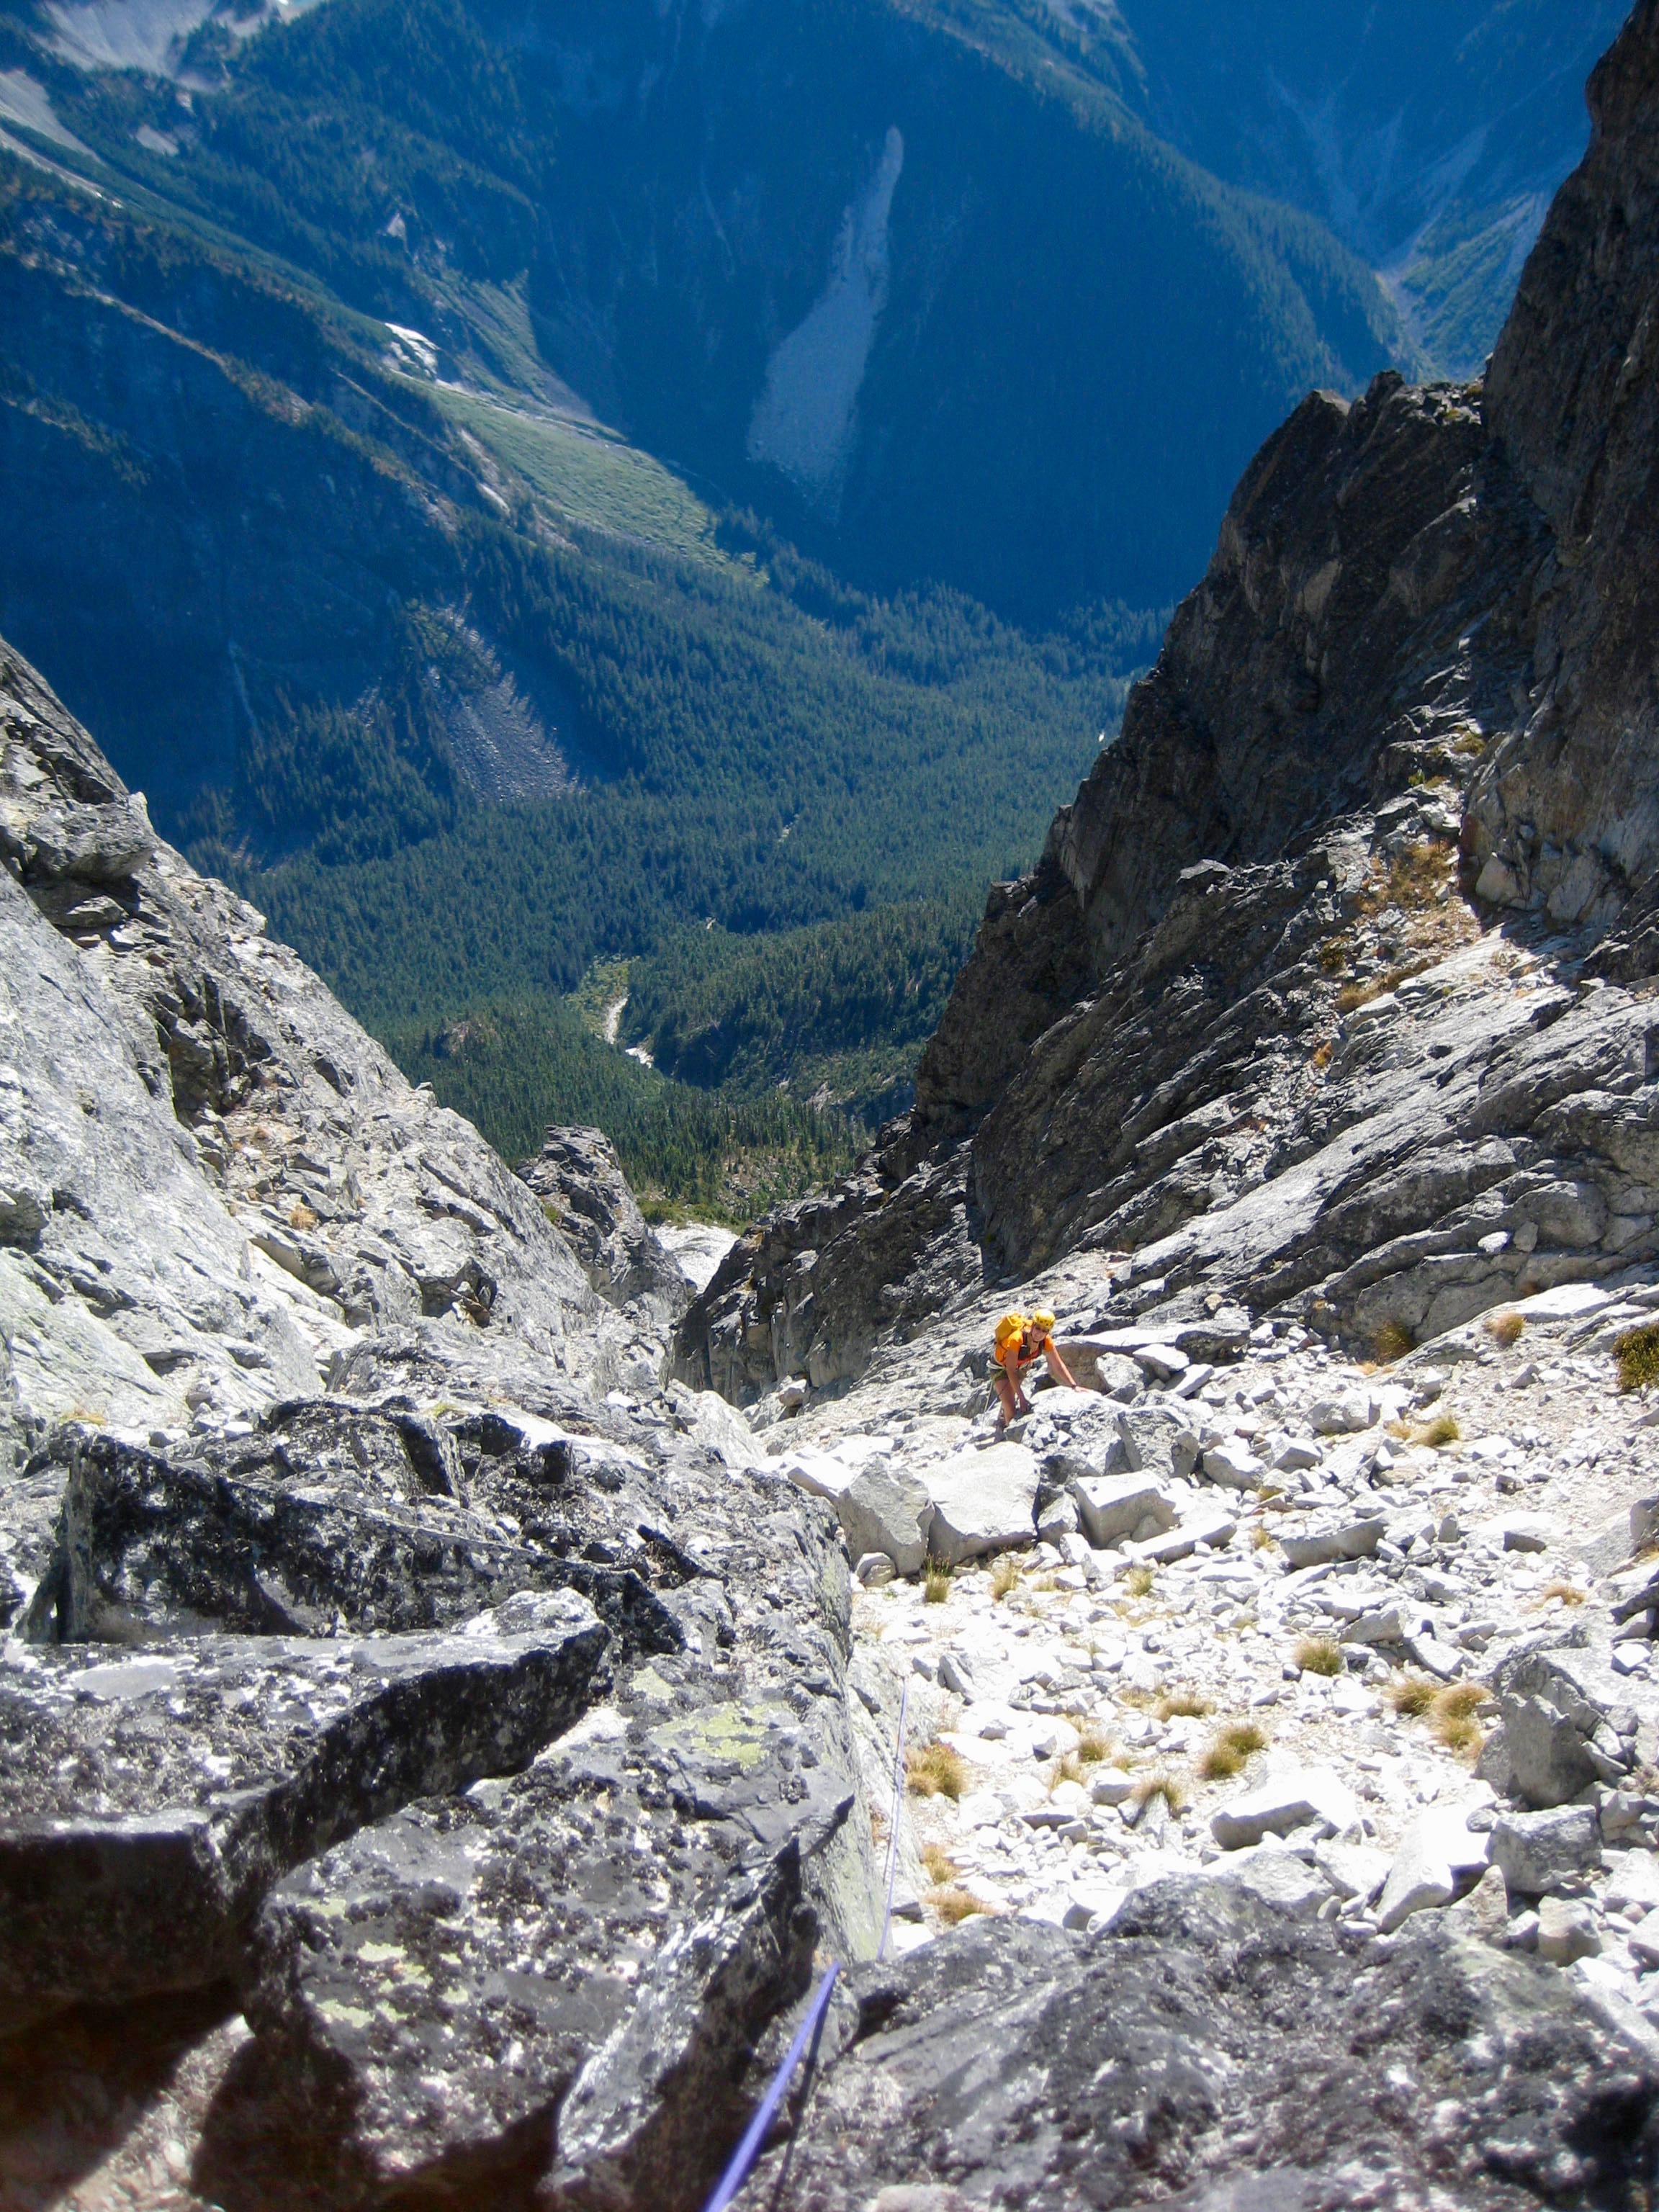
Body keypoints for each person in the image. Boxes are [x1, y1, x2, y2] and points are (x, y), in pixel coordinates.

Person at [992, 1310, 1076, 1424]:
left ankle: (1004, 1413)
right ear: (1032, 1326)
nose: (1040, 1333)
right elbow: (1010, 1371)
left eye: (1044, 1331)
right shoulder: (1016, 1339)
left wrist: (1074, 1386)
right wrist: (1021, 1398)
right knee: (1011, 1409)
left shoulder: (1046, 1341)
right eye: (1038, 1328)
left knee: (1010, 1398)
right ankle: (1005, 1429)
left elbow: (1058, 1365)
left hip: (1023, 1366)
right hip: (1000, 1367)